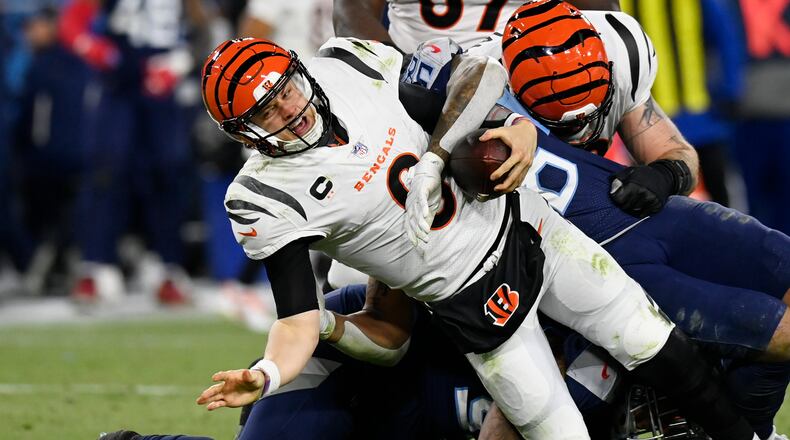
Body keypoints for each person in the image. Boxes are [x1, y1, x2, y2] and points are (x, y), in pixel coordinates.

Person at [194, 36, 757, 439]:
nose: (290, 113)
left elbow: (468, 82)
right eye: (268, 114)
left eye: (288, 91)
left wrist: (508, 130)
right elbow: (296, 318)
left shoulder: (348, 63)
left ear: (300, 71)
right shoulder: (261, 199)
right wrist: (265, 373)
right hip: (475, 306)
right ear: (245, 134)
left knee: (645, 332)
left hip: (524, 223)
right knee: (559, 432)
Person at [332, 0, 621, 54]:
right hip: (416, 93)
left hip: (528, 87)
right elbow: (349, 10)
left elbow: (604, 18)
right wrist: (396, 70)